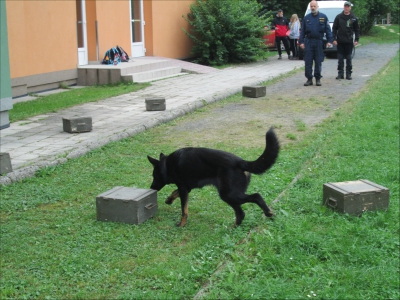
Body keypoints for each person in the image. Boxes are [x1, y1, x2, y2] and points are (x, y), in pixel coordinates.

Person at [299, 1, 333, 86]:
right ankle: (309, 79)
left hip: (319, 41)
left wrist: (329, 41)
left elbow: (328, 30)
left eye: (314, 6)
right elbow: (302, 31)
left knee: (318, 61)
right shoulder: (306, 18)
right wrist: (301, 42)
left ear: (317, 6)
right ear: (310, 7)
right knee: (308, 61)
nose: (313, 8)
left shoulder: (323, 17)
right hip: (309, 41)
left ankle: (318, 79)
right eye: (311, 6)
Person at [332, 1, 360, 80]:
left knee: (348, 58)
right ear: (343, 7)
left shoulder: (353, 18)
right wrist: (334, 39)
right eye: (345, 6)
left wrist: (356, 39)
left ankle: (348, 74)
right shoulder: (338, 17)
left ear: (350, 8)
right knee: (340, 58)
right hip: (340, 41)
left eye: (348, 7)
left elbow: (357, 29)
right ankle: (340, 73)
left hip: (349, 41)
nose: (346, 8)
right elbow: (334, 28)